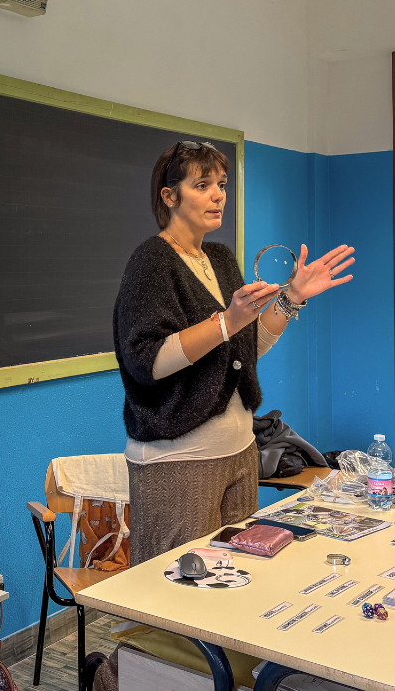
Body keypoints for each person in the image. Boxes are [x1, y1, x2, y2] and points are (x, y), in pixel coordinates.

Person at [91, 140, 354, 691]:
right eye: (202, 185)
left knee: (232, 594)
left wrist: (291, 299)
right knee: (173, 609)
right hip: (177, 460)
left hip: (237, 453)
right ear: (170, 196)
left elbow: (243, 349)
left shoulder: (221, 259)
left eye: (222, 185)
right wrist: (226, 320)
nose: (218, 196)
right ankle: (115, 680)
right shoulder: (151, 262)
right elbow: (148, 361)